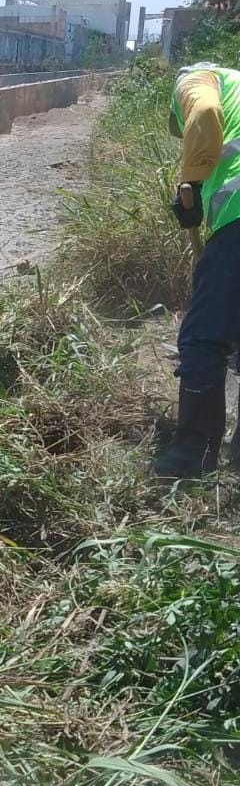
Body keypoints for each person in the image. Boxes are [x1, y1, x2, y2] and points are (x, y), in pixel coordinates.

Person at [153, 61, 240, 478]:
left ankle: (193, 455)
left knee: (204, 336)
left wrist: (193, 184)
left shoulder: (198, 79)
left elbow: (204, 114)